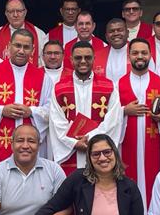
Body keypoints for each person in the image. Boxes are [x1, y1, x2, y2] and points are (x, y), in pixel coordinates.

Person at [117, 38, 160, 215]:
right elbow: (108, 115)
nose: (140, 57)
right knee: (130, 189)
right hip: (128, 147)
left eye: (144, 53)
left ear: (150, 55)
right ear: (129, 55)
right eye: (135, 53)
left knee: (156, 190)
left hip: (156, 148)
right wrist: (124, 110)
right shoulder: (118, 83)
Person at [0, 28, 53, 170]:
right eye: (17, 46)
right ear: (9, 46)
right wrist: (2, 110)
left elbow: (52, 110)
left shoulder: (43, 78)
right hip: (0, 144)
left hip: (32, 143)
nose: (21, 51)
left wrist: (32, 112)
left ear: (33, 50)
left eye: (26, 47)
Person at [49, 42, 122, 175]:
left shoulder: (109, 87)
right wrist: (74, 143)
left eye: (87, 57)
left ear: (94, 58)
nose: (83, 61)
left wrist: (91, 140)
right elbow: (56, 121)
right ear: (71, 59)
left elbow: (113, 120)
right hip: (70, 152)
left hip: (99, 151)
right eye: (78, 58)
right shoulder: (59, 88)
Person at [0, 0, 48, 64]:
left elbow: (44, 62)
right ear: (6, 13)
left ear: (25, 12)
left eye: (19, 11)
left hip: (31, 73)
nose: (15, 15)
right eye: (11, 11)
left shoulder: (39, 34)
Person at [97, 18, 130, 82]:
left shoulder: (138, 53)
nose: (116, 33)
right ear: (106, 37)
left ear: (127, 33)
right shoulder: (97, 56)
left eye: (120, 30)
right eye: (111, 31)